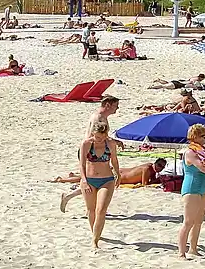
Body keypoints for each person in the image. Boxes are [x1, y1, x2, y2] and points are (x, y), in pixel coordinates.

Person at [60, 96, 123, 211]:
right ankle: (90, 208)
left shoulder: (100, 116)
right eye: (115, 106)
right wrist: (114, 142)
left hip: (93, 148)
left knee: (94, 179)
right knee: (91, 179)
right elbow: (98, 136)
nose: (117, 109)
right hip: (91, 150)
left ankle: (69, 197)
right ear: (108, 105)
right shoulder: (99, 117)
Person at [178, 124, 205, 259]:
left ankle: (193, 248)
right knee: (188, 222)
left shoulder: (204, 151)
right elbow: (204, 168)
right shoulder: (190, 152)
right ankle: (181, 252)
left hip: (203, 188)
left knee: (199, 221)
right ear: (195, 137)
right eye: (203, 136)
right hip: (192, 188)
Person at [77, 121, 119, 249]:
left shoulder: (110, 144)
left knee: (101, 210)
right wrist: (84, 180)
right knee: (91, 210)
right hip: (89, 179)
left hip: (106, 180)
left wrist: (118, 174)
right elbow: (82, 164)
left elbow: (114, 160)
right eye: (96, 137)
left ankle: (95, 241)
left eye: (101, 137)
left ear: (106, 134)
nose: (99, 140)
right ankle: (95, 233)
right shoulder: (86, 144)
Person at [51, 159, 167, 186]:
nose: (160, 168)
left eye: (162, 167)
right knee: (87, 179)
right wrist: (157, 181)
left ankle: (73, 175)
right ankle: (63, 180)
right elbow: (144, 183)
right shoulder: (147, 169)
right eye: (159, 166)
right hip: (118, 176)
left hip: (119, 172)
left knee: (90, 176)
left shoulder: (148, 166)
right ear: (155, 163)